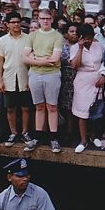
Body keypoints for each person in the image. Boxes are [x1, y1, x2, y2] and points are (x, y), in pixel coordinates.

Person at [23, 9, 64, 152]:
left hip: (52, 74)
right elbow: (24, 57)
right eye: (42, 18)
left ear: (52, 19)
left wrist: (35, 59)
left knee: (52, 107)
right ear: (38, 19)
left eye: (47, 18)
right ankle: (37, 137)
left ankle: (54, 139)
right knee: (39, 107)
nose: (45, 21)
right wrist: (42, 61)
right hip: (34, 75)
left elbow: (55, 59)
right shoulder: (32, 35)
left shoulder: (57, 36)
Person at [0, 12, 33, 148]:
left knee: (25, 107)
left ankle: (25, 132)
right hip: (9, 77)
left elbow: (32, 60)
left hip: (25, 76)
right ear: (7, 24)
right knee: (10, 108)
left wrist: (31, 78)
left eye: (18, 22)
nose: (16, 24)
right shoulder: (2, 40)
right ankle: (13, 132)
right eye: (13, 22)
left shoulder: (28, 38)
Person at [70, 24, 105, 153]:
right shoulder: (74, 48)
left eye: (90, 38)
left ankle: (94, 136)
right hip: (82, 81)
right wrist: (80, 48)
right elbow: (75, 65)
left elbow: (104, 63)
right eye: (85, 38)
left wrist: (103, 76)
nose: (88, 41)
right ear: (80, 37)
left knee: (96, 110)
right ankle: (83, 140)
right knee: (82, 112)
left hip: (97, 79)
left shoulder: (99, 46)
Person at [59, 22, 79, 137]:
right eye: (71, 31)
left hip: (77, 78)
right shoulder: (61, 45)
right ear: (66, 33)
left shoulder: (81, 45)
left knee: (73, 106)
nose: (74, 34)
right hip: (63, 78)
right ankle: (63, 130)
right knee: (64, 106)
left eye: (76, 32)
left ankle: (71, 132)